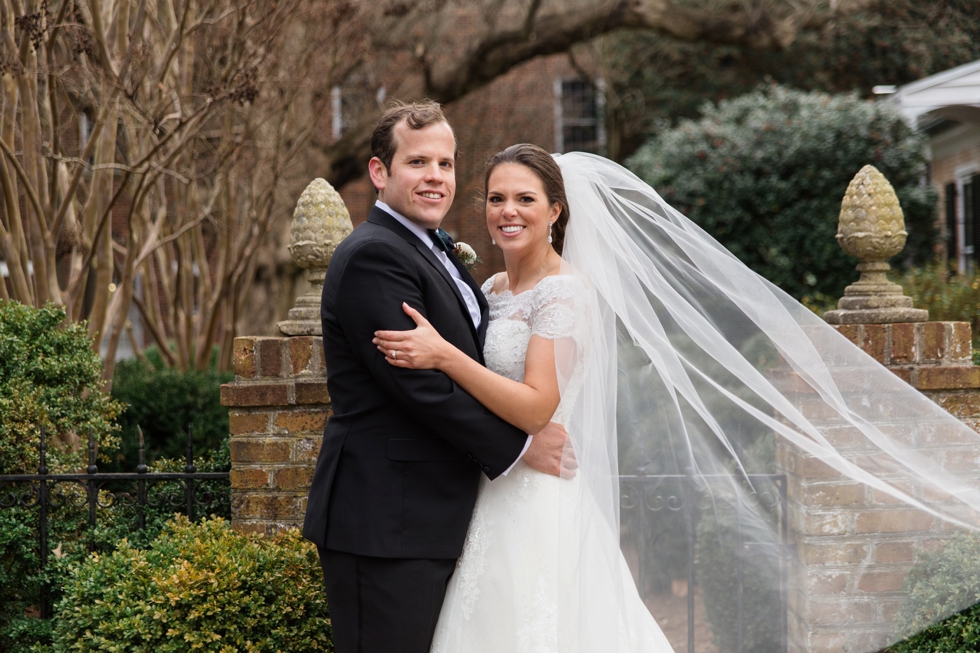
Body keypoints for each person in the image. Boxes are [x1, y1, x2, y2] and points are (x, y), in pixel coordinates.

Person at [373, 145, 980, 653]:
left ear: (556, 211)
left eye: (525, 199)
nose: (508, 211)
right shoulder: (494, 286)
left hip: (541, 496)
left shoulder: (564, 294)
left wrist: (444, 355)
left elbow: (535, 406)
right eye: (497, 198)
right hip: (499, 481)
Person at [302, 103, 573, 653]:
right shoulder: (374, 255)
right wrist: (519, 446)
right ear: (380, 172)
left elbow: (463, 360)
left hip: (438, 515)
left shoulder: (434, 247)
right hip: (385, 519)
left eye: (445, 164)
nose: (435, 176)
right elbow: (419, 387)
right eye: (418, 161)